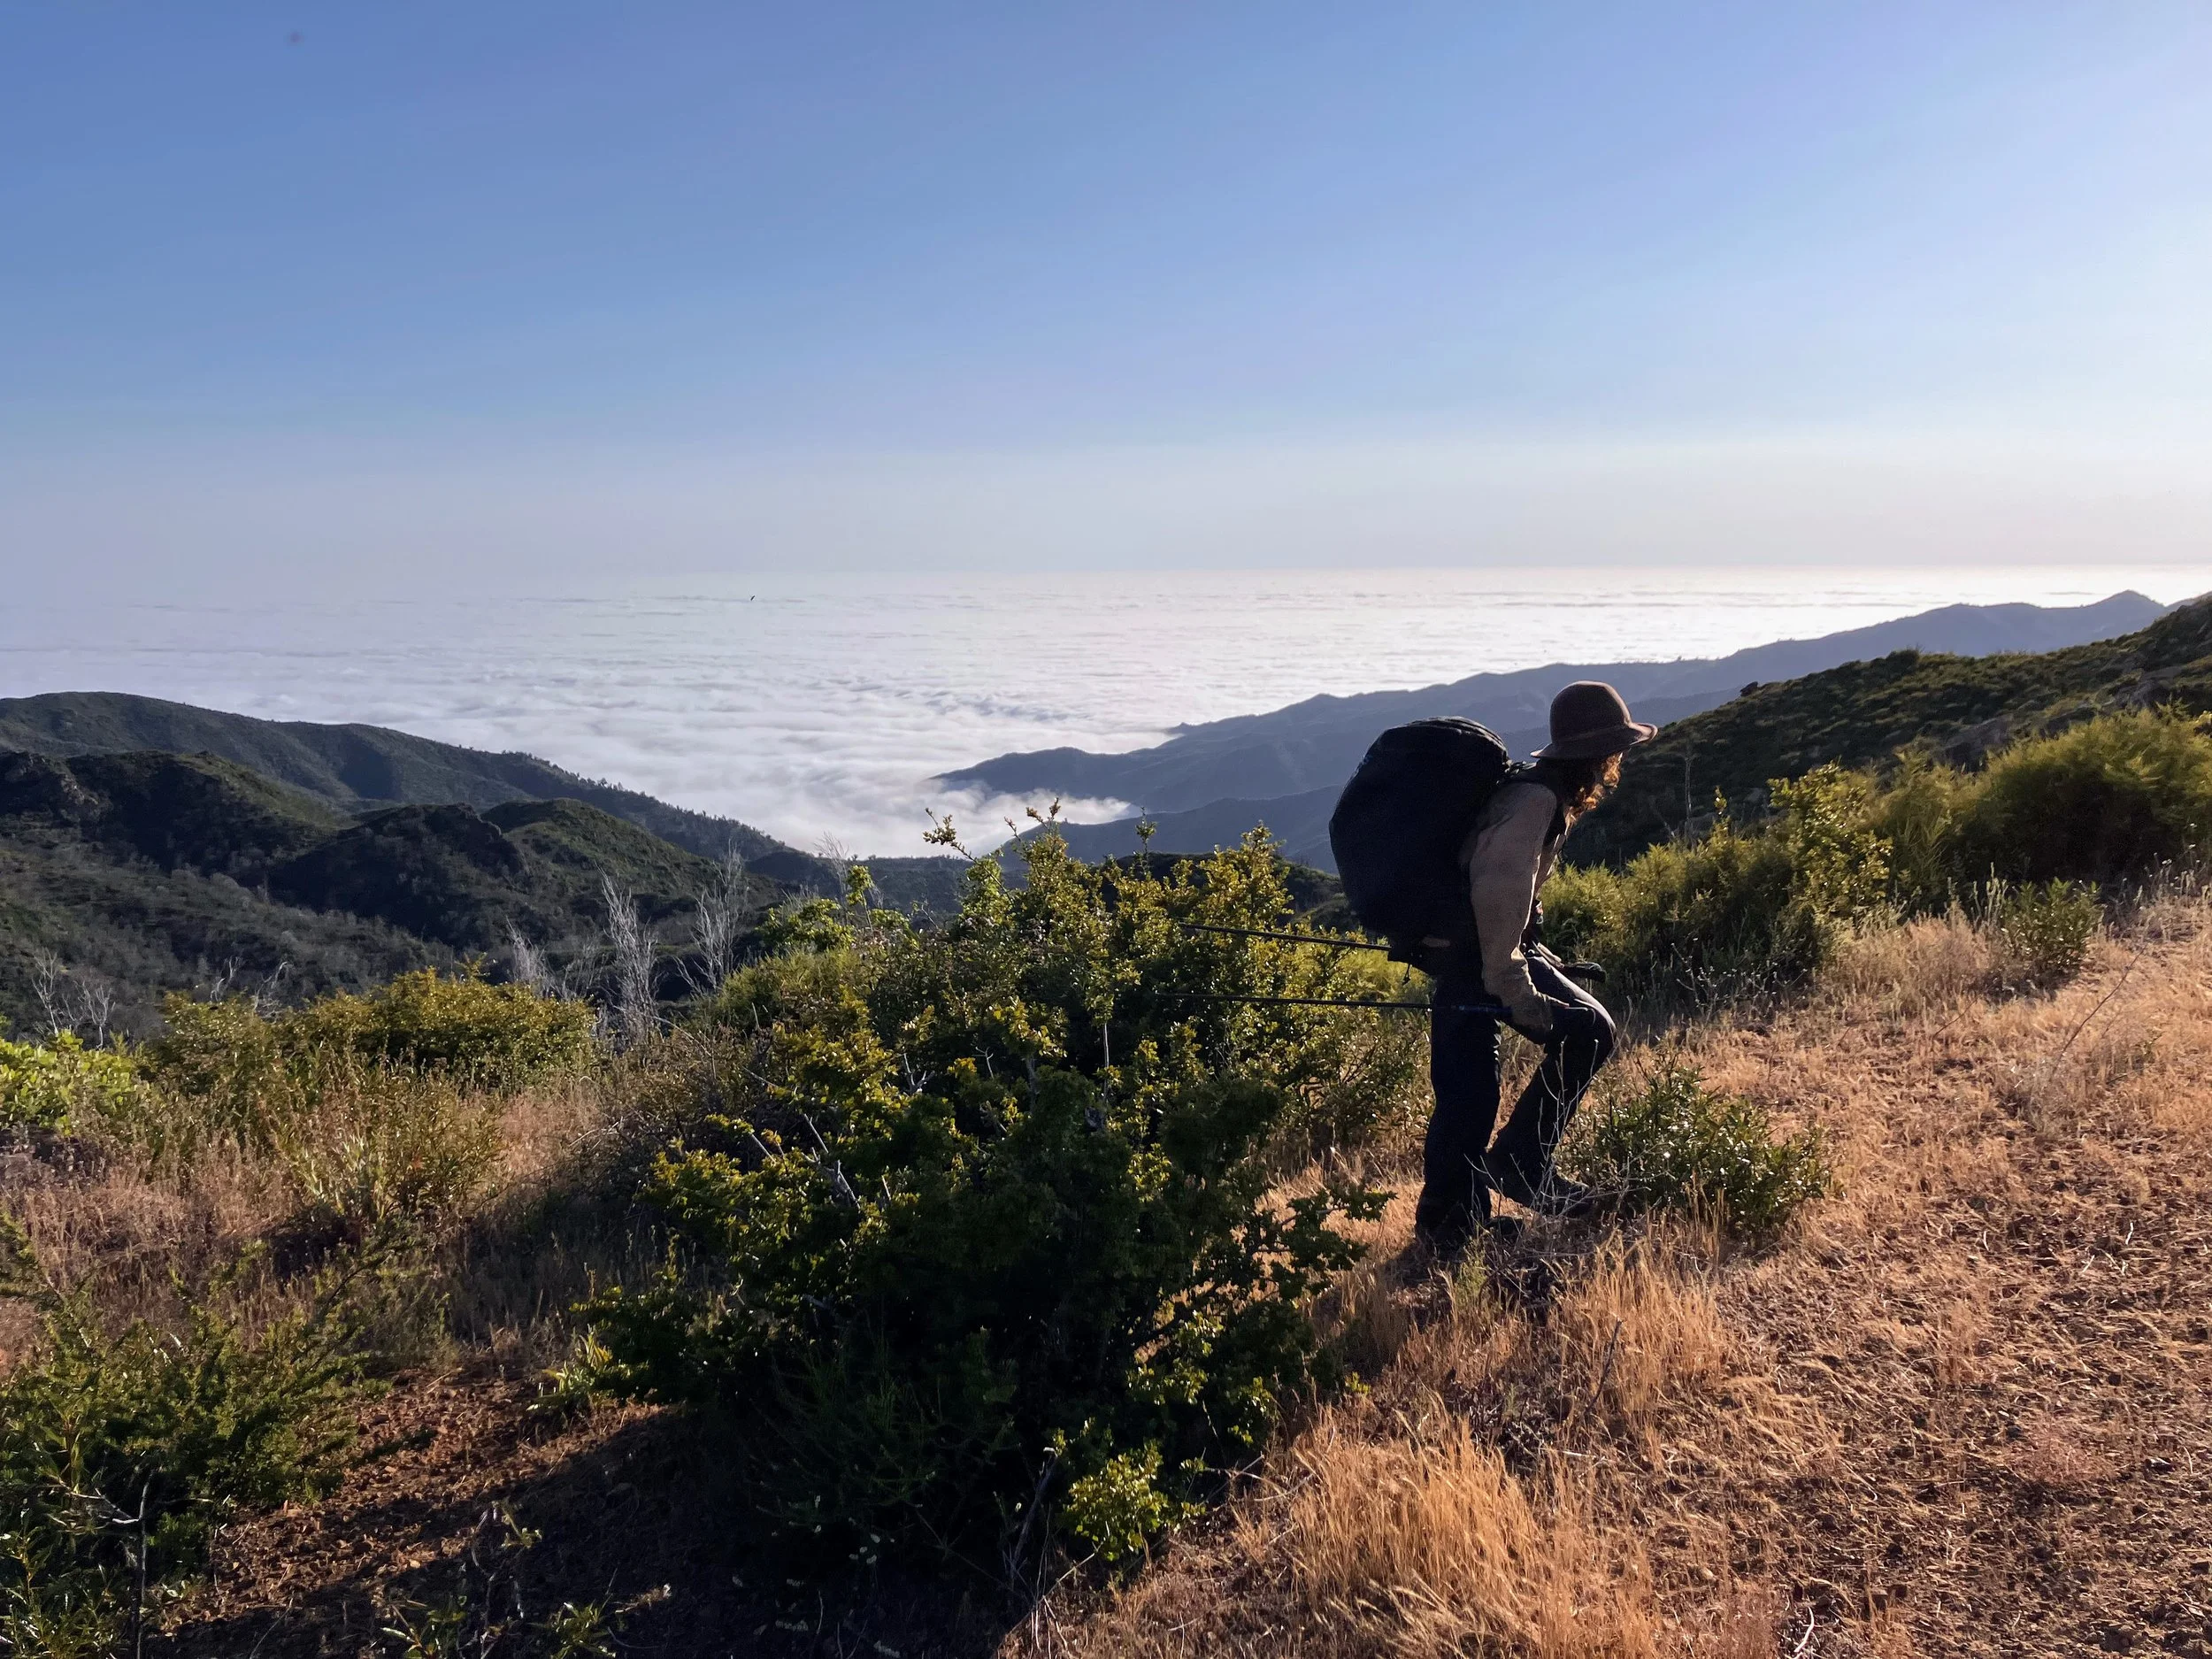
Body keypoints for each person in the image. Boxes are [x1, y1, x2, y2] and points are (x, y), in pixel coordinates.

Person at [1412, 681, 1655, 1255]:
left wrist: (1535, 955)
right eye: (1615, 749)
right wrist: (1514, 986)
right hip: (1478, 956)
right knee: (1565, 1042)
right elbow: (1496, 889)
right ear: (1599, 752)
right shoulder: (1535, 801)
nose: (1617, 761)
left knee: (1469, 1088)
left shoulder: (1542, 794)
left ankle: (1456, 1218)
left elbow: (1507, 891)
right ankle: (1508, 1173)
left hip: (1476, 949)